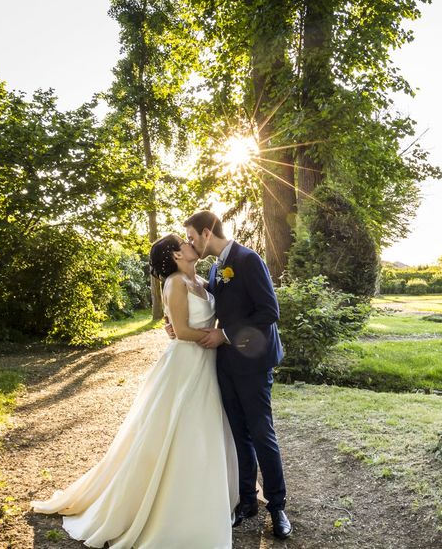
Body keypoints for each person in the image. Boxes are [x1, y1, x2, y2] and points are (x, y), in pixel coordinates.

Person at [31, 234, 238, 548]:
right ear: (174, 254)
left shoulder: (201, 280)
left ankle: (203, 496)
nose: (189, 242)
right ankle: (169, 509)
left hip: (205, 364)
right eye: (183, 241)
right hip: (185, 365)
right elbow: (180, 331)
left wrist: (222, 331)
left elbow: (198, 316)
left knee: (203, 431)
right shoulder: (174, 283)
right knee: (178, 430)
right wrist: (215, 335)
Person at [170, 211, 291, 539]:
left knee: (261, 432)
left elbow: (269, 312)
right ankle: (247, 501)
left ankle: (277, 506)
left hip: (254, 361)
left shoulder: (248, 259)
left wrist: (224, 335)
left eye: (192, 237)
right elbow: (209, 301)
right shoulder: (214, 268)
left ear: (206, 232)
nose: (191, 243)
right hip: (226, 364)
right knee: (239, 434)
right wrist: (180, 321)